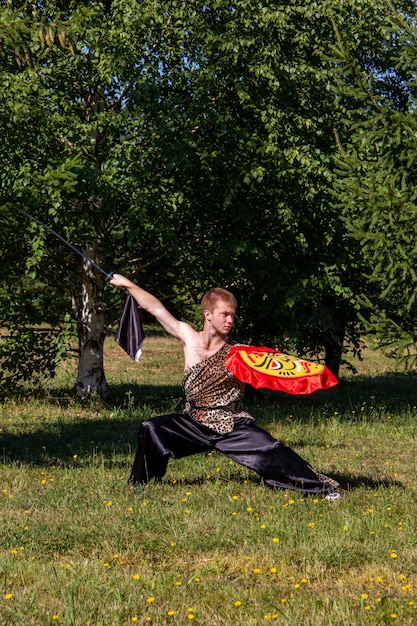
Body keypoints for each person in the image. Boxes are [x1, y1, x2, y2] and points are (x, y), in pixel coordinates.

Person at [110, 274, 341, 498]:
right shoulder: (189, 338)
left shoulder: (239, 353)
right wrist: (128, 284)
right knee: (151, 427)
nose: (230, 320)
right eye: (225, 314)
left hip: (230, 423)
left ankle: (322, 488)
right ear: (208, 314)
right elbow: (155, 308)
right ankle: (141, 484)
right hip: (194, 421)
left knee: (271, 449)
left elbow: (277, 367)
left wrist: (315, 374)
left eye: (233, 315)